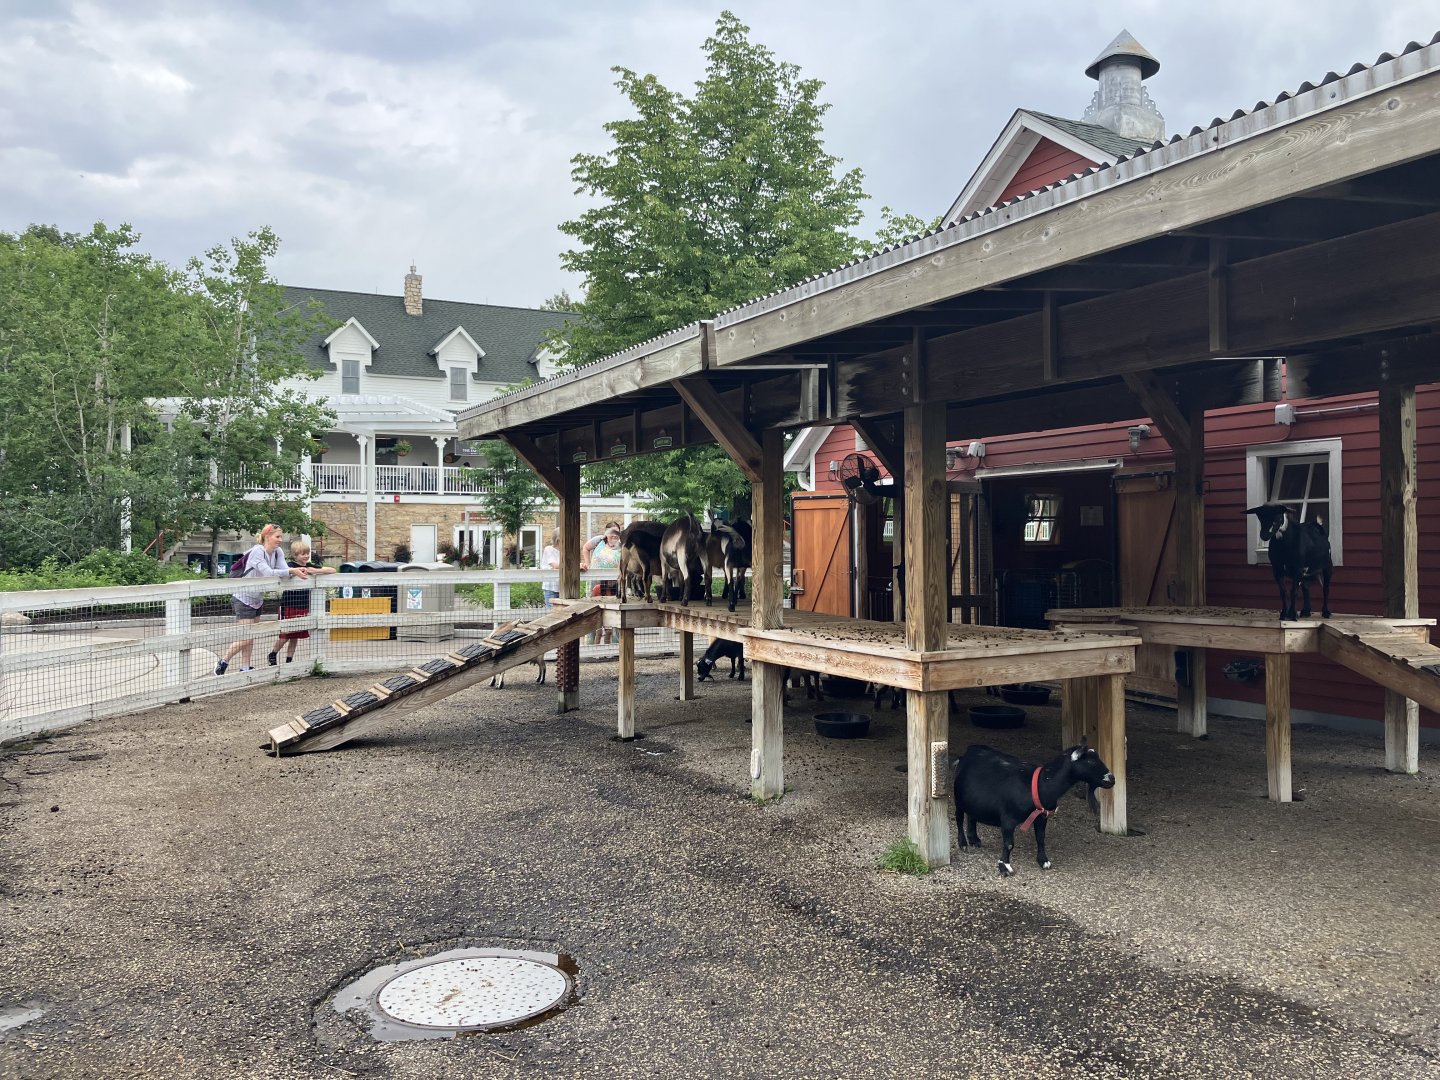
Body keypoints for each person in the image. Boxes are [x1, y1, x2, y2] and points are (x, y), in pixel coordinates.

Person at [215, 524, 309, 675]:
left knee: (251, 636)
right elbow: (268, 572)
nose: (280, 540)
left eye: (281, 537)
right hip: (243, 597)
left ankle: (245, 666)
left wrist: (297, 571)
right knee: (247, 635)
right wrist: (292, 570)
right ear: (267, 537)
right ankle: (223, 661)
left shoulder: (277, 552)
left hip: (257, 598)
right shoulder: (257, 551)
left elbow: (284, 572)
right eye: (277, 537)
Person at [265, 540, 337, 665]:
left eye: (307, 553)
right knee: (286, 633)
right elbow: (285, 573)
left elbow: (332, 570)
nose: (305, 556)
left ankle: (289, 660)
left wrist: (314, 571)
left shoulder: (310, 566)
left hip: (303, 605)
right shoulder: (290, 566)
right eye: (302, 554)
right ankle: (273, 653)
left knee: (296, 635)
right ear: (295, 555)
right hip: (289, 605)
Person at [587, 525, 623, 645]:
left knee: (615, 612)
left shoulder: (622, 543)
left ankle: (615, 644)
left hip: (615, 582)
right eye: (611, 531)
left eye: (616, 531)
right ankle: (591, 645)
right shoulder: (599, 540)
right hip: (597, 581)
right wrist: (587, 564)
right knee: (593, 611)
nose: (614, 534)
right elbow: (586, 548)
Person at [540, 530, 562, 607]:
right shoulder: (548, 549)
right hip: (551, 588)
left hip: (563, 587)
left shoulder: (566, 551)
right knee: (551, 613)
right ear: (558, 540)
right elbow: (555, 565)